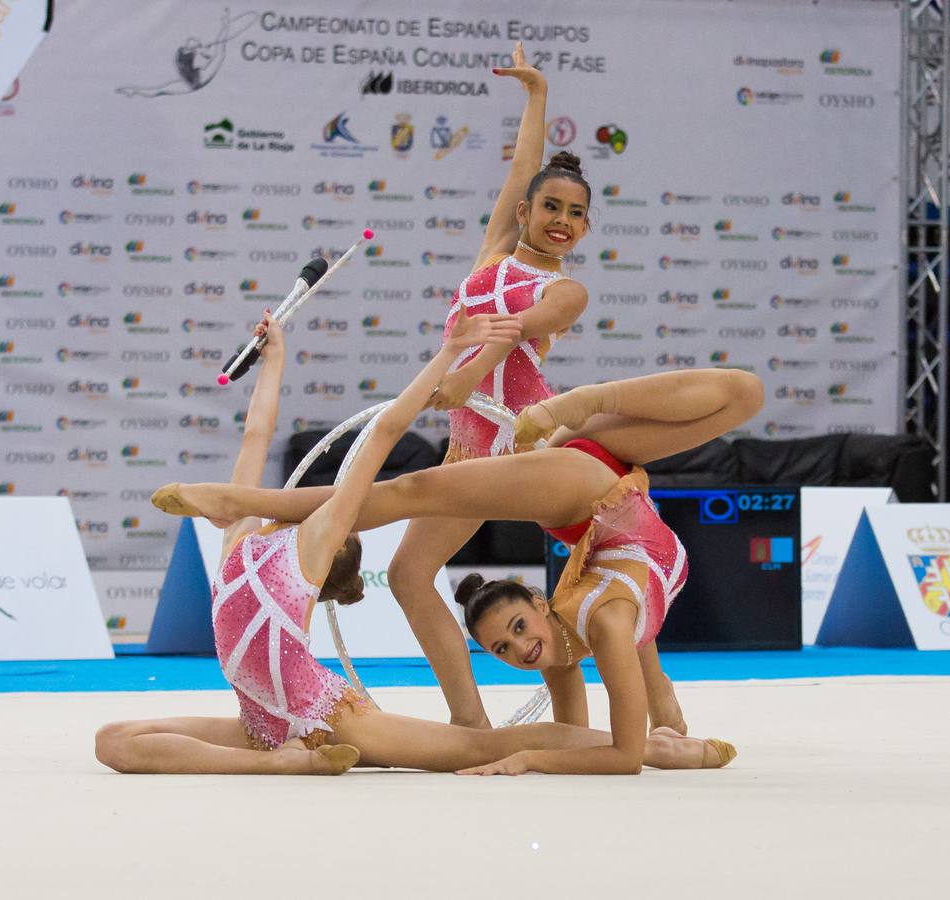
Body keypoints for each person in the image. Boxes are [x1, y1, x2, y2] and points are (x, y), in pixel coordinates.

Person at [98, 314, 729, 775]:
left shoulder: (311, 543)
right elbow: (256, 436)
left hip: (331, 719)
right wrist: (275, 358)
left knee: (482, 748)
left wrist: (450, 352)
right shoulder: (238, 540)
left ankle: (652, 747)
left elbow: (384, 433)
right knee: (114, 741)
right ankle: (281, 766)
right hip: (262, 724)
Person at [388, 43, 592, 728]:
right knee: (407, 575)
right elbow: (521, 168)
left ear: (585, 227)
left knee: (597, 576)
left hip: (526, 444)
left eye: (575, 213)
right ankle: (469, 725)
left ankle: (652, 713)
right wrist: (535, 96)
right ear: (527, 213)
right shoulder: (492, 256)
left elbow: (510, 330)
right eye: (549, 206)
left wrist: (463, 371)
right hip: (470, 454)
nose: (561, 219)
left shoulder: (564, 290)